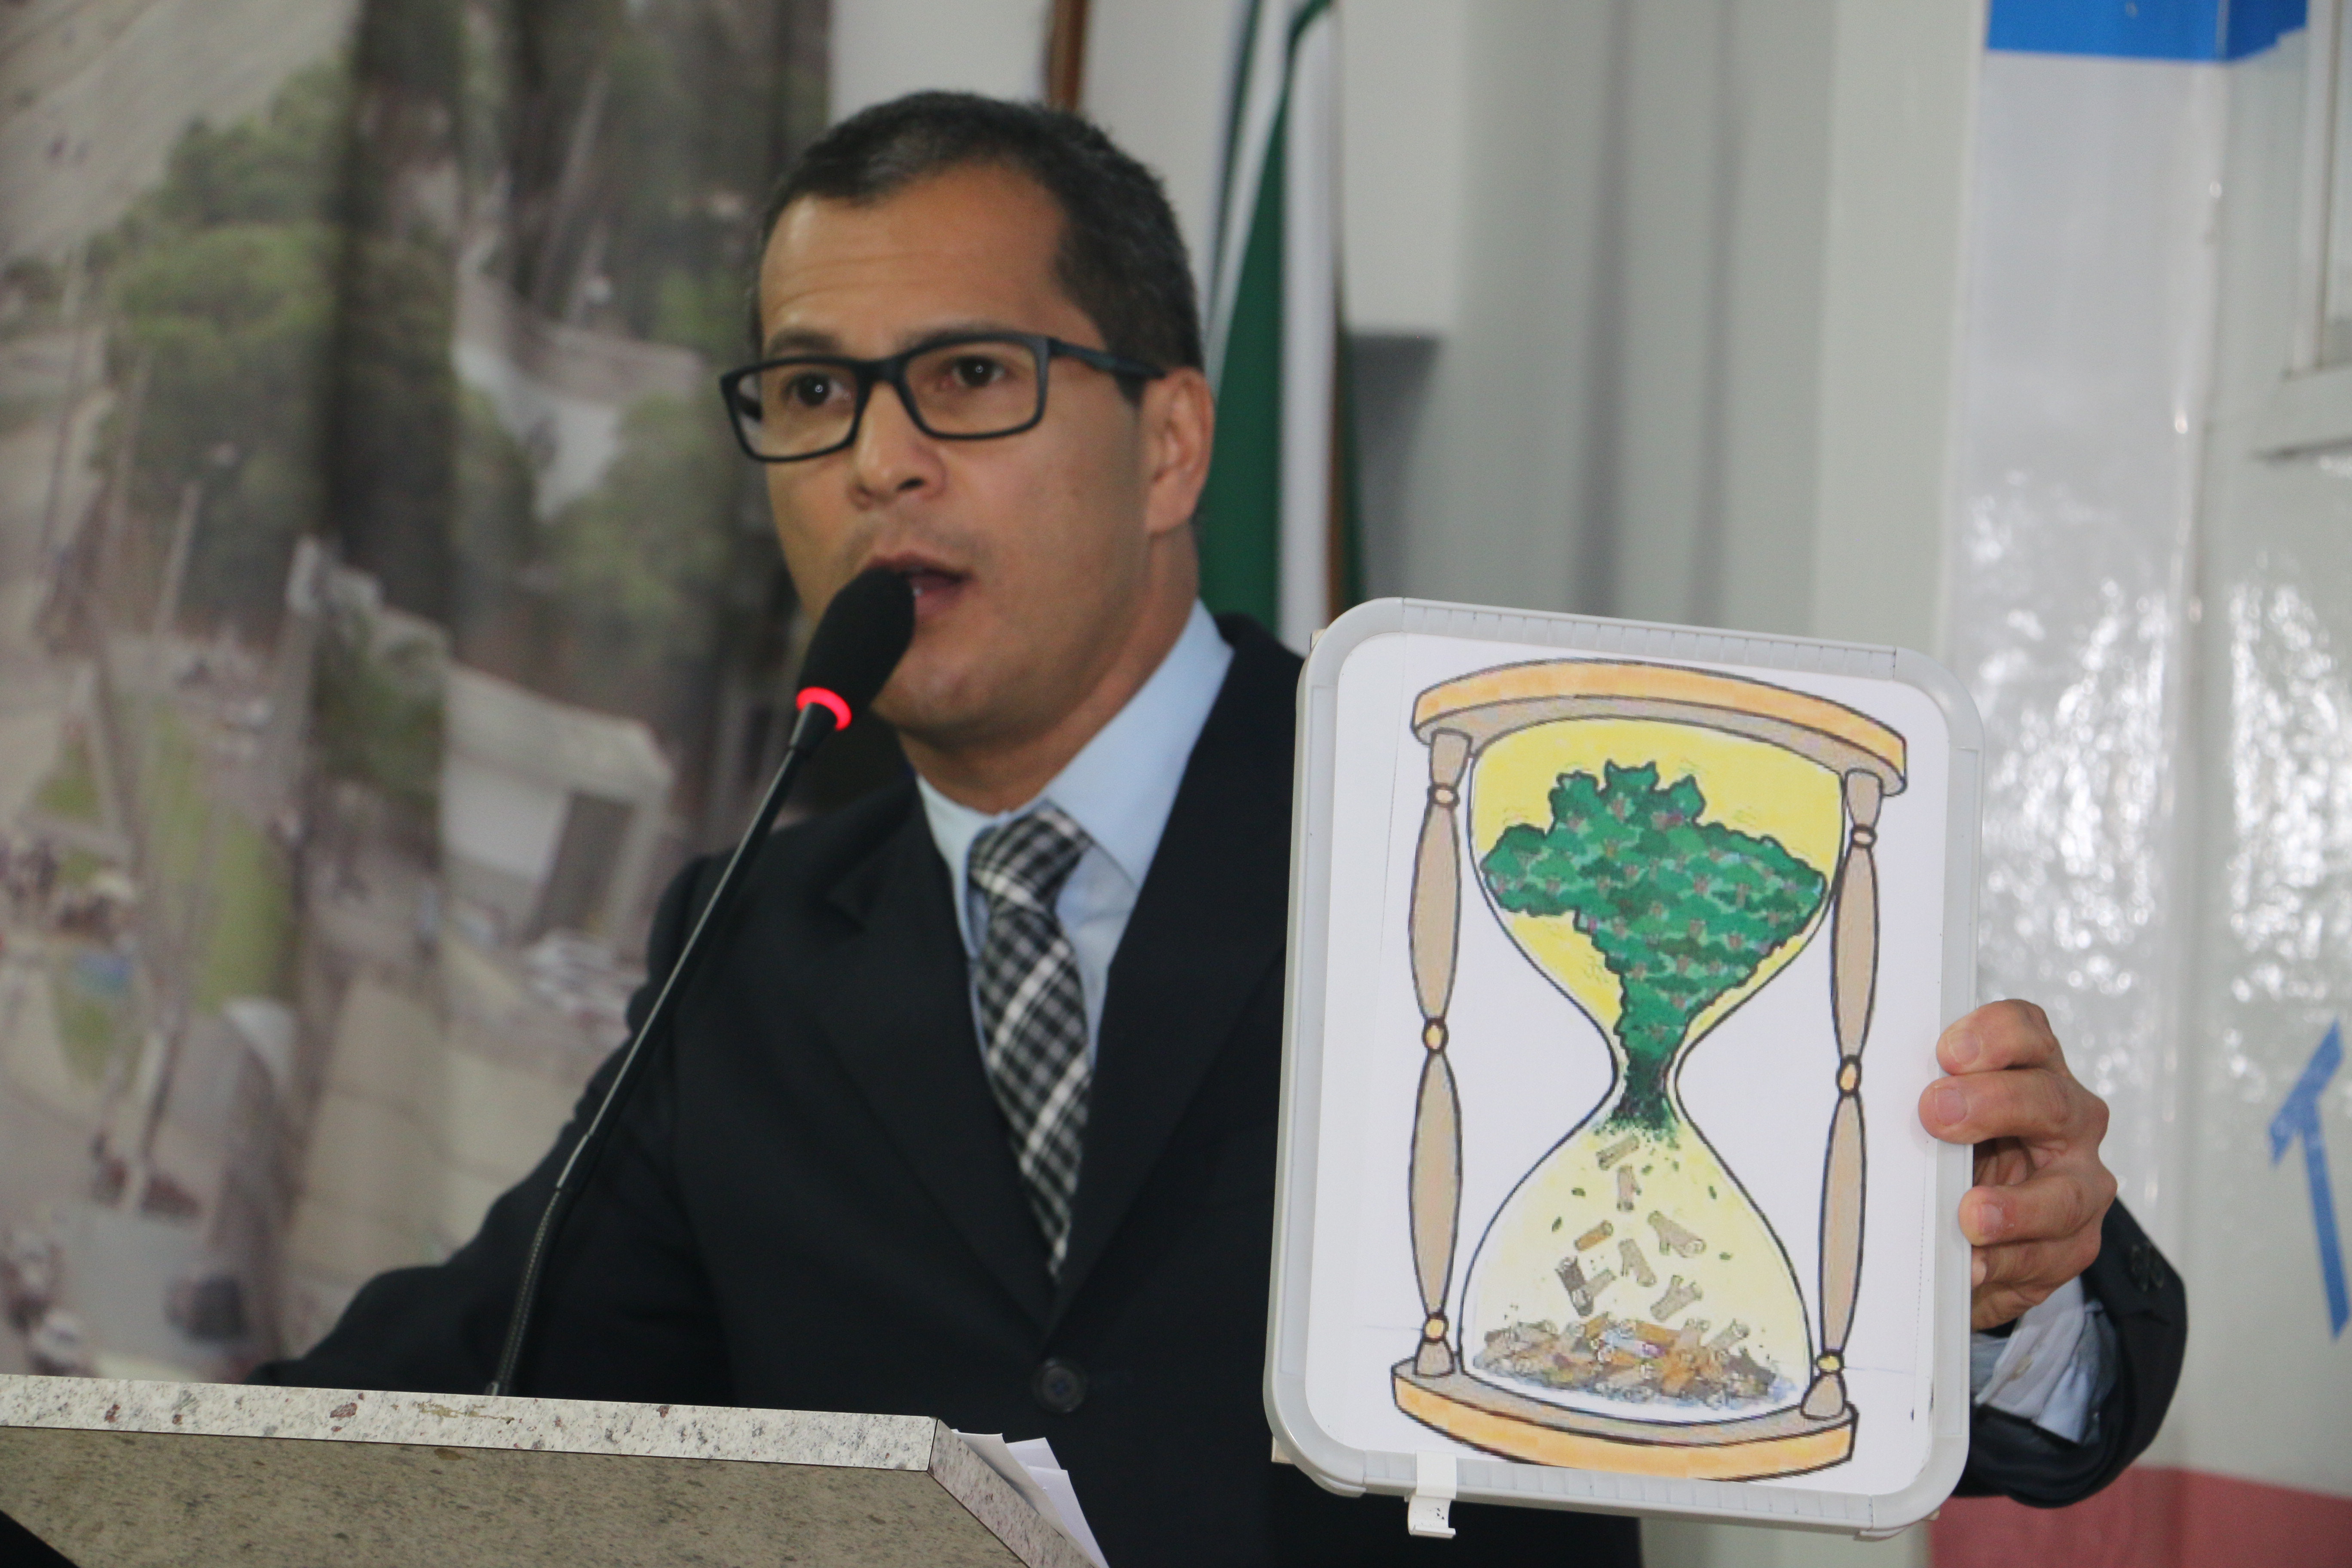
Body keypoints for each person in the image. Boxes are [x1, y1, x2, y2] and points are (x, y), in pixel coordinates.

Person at [256, 93, 2185, 1564]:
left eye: (967, 378)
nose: (876, 461)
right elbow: (482, 1376)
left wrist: (2002, 1284)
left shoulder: (1474, 830)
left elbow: (2042, 1406)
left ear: (1172, 441)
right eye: (815, 391)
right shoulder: (753, 938)